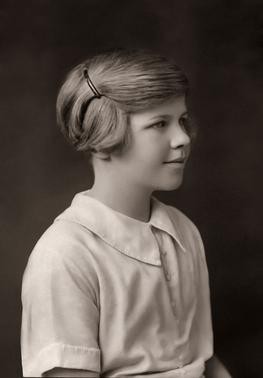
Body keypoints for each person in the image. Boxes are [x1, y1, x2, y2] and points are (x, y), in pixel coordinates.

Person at [21, 48, 231, 377]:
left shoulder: (183, 232)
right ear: (104, 136)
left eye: (182, 120)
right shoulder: (65, 256)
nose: (183, 138)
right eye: (160, 124)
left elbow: (203, 360)